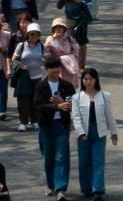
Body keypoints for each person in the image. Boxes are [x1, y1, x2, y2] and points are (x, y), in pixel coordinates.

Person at [70, 67, 118, 200]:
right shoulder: (77, 97)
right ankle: (86, 189)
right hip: (84, 134)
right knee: (84, 162)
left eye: (90, 79)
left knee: (98, 161)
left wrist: (114, 132)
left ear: (96, 80)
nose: (88, 82)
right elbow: (76, 117)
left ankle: (98, 190)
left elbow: (109, 115)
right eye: (85, 79)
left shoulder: (104, 95)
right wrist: (80, 133)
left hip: (99, 132)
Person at [36, 55, 75, 201]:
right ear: (46, 70)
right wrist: (56, 106)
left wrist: (65, 103)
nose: (55, 70)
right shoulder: (41, 86)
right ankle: (50, 185)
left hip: (62, 125)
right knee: (49, 157)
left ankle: (61, 189)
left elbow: (74, 105)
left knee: (62, 157)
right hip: (46, 126)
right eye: (51, 67)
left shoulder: (67, 86)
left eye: (57, 67)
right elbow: (38, 106)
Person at [56, 0, 94, 70]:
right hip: (68, 20)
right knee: (67, 41)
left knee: (82, 43)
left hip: (81, 20)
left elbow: (90, 5)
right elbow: (59, 6)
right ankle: (69, 64)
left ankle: (81, 66)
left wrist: (80, 1)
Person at [12, 21, 46, 130]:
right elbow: (14, 60)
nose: (34, 36)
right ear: (28, 34)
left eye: (37, 34)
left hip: (37, 77)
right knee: (23, 100)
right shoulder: (21, 45)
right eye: (32, 34)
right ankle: (23, 122)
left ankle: (35, 120)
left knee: (35, 100)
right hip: (23, 77)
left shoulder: (41, 46)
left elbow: (45, 59)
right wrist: (20, 66)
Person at [45, 18, 82, 89]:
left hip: (69, 66)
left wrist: (74, 61)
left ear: (64, 29)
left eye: (60, 27)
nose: (58, 29)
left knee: (69, 87)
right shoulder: (50, 39)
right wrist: (53, 39)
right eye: (56, 27)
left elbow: (76, 50)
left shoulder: (69, 39)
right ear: (53, 29)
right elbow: (46, 51)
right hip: (56, 68)